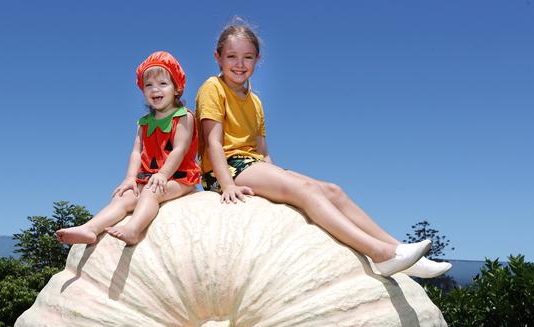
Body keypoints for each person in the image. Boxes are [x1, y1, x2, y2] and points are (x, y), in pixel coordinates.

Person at [195, 22, 451, 278]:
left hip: (252, 165)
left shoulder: (255, 101)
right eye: (232, 57)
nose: (239, 64)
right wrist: (227, 185)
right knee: (306, 191)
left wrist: (280, 181)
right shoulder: (213, 88)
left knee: (332, 191)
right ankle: (379, 253)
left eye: (247, 57)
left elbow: (262, 151)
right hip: (225, 168)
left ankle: (401, 253)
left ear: (257, 59)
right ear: (218, 58)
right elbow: (214, 142)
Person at [57, 51, 200, 246]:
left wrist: (163, 174)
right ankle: (90, 228)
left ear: (177, 88)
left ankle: (134, 229)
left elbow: (179, 150)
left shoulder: (183, 116)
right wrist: (130, 178)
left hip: (180, 178)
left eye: (163, 84)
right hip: (149, 176)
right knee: (123, 197)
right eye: (148, 85)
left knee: (150, 193)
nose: (155, 89)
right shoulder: (144, 123)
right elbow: (136, 152)